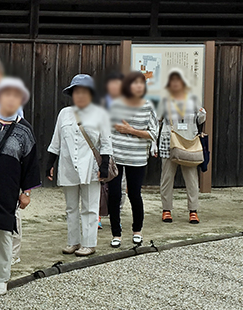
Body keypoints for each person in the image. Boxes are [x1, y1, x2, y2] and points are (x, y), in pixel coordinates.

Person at [0, 78, 40, 296]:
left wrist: (26, 192)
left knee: (3, 231)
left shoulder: (25, 129)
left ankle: (1, 278)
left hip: (7, 187)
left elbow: (31, 163)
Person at [46, 74, 111, 257]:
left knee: (90, 207)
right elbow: (56, 141)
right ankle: (73, 241)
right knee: (71, 207)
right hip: (67, 165)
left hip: (91, 166)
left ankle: (89, 243)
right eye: (76, 92)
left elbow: (106, 143)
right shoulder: (64, 113)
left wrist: (104, 166)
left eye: (83, 91)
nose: (79, 95)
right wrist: (50, 163)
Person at [107, 70, 157, 248]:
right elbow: (107, 129)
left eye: (141, 83)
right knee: (114, 195)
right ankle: (116, 233)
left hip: (137, 158)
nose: (137, 86)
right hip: (117, 156)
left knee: (134, 194)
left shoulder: (148, 106)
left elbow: (153, 134)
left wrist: (131, 130)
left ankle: (137, 230)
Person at [157, 69, 206, 224]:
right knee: (167, 178)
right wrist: (153, 144)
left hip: (188, 142)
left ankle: (193, 210)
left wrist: (201, 111)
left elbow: (201, 119)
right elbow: (156, 122)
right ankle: (166, 210)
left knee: (191, 179)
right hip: (168, 142)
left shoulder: (193, 100)